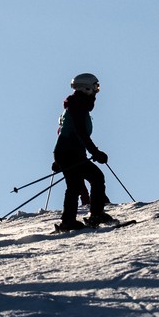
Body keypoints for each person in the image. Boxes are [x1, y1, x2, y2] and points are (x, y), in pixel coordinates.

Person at [53, 72, 112, 230]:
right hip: (69, 153)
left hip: (69, 152)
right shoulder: (77, 106)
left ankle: (86, 217)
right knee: (81, 182)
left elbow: (65, 131)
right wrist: (96, 152)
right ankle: (73, 220)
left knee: (90, 179)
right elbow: (80, 133)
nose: (96, 91)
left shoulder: (77, 105)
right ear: (86, 88)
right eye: (95, 87)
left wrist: (58, 160)